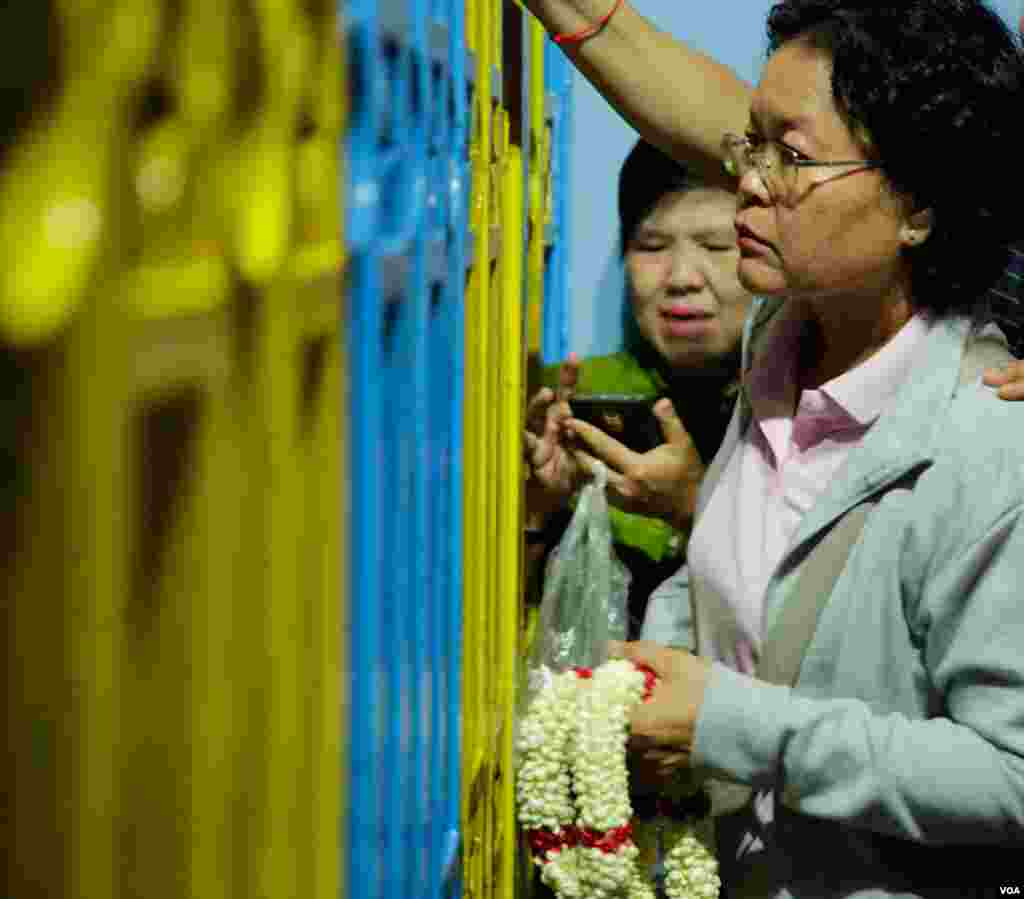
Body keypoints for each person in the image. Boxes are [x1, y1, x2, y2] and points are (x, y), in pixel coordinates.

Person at [521, 0, 1024, 894]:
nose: (746, 183)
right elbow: (745, 595)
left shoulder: (987, 444)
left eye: (789, 157)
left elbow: (1011, 777)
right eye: (750, 145)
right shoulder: (777, 348)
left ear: (917, 209)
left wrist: (730, 728)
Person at [524, 138, 751, 638]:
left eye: (717, 246)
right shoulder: (566, 403)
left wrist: (692, 506)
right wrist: (538, 506)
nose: (681, 278)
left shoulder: (804, 412)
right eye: (651, 246)